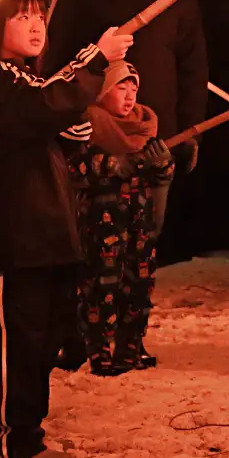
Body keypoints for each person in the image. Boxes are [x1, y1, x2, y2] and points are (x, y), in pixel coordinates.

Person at [0, 0, 131, 458]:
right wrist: (95, 59)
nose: (35, 26)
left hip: (46, 234)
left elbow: (66, 118)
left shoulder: (30, 82)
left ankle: (30, 436)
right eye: (22, 17)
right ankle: (7, 440)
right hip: (9, 237)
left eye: (39, 16)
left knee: (40, 341)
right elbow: (48, 105)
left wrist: (75, 105)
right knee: (12, 342)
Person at [44, 0, 207, 364]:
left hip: (156, 137)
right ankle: (79, 336)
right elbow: (55, 51)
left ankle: (129, 339)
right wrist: (60, 118)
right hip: (92, 134)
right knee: (85, 244)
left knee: (142, 244)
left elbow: (193, 62)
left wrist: (190, 130)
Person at [72, 62, 174, 375]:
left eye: (134, 88)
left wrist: (162, 164)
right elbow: (75, 168)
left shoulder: (144, 126)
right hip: (101, 224)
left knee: (138, 286)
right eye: (121, 87)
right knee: (101, 287)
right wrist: (114, 165)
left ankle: (130, 348)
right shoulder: (87, 124)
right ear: (103, 90)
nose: (129, 95)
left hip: (139, 222)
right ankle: (100, 353)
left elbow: (160, 178)